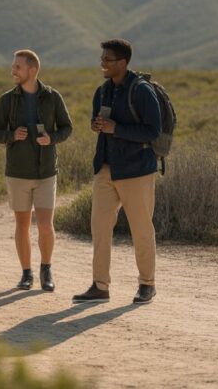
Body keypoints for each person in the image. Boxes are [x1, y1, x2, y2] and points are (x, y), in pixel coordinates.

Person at [72, 39, 161, 305]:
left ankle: (147, 284)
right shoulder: (102, 91)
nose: (102, 63)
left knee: (141, 230)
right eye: (102, 59)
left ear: (122, 63)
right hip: (106, 170)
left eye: (107, 60)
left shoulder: (142, 91)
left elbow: (152, 131)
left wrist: (116, 128)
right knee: (99, 228)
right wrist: (97, 125)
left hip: (137, 171)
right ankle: (100, 286)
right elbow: (98, 122)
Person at [0, 50, 72, 292]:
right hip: (17, 173)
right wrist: (11, 136)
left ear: (32, 70)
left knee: (46, 225)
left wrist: (52, 138)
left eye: (17, 67)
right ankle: (26, 274)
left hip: (46, 172)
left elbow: (67, 127)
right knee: (23, 226)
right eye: (13, 66)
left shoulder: (52, 97)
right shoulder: (7, 100)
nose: (12, 71)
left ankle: (46, 269)